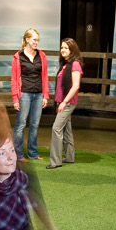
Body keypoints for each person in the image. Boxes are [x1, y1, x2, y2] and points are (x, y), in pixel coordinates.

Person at [10, 28, 49, 163]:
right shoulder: (18, 57)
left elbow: (44, 76)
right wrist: (15, 98)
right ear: (27, 39)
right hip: (24, 94)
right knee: (20, 124)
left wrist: (45, 95)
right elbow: (14, 79)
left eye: (38, 40)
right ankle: (18, 155)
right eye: (34, 40)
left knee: (34, 124)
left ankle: (33, 153)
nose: (36, 43)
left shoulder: (42, 56)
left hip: (38, 94)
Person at [46, 38, 82, 170]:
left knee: (56, 128)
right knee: (67, 129)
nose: (63, 50)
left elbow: (76, 86)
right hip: (61, 101)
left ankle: (55, 161)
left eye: (66, 48)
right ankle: (69, 157)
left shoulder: (75, 64)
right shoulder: (64, 64)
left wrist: (64, 102)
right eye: (62, 47)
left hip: (68, 102)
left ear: (72, 49)